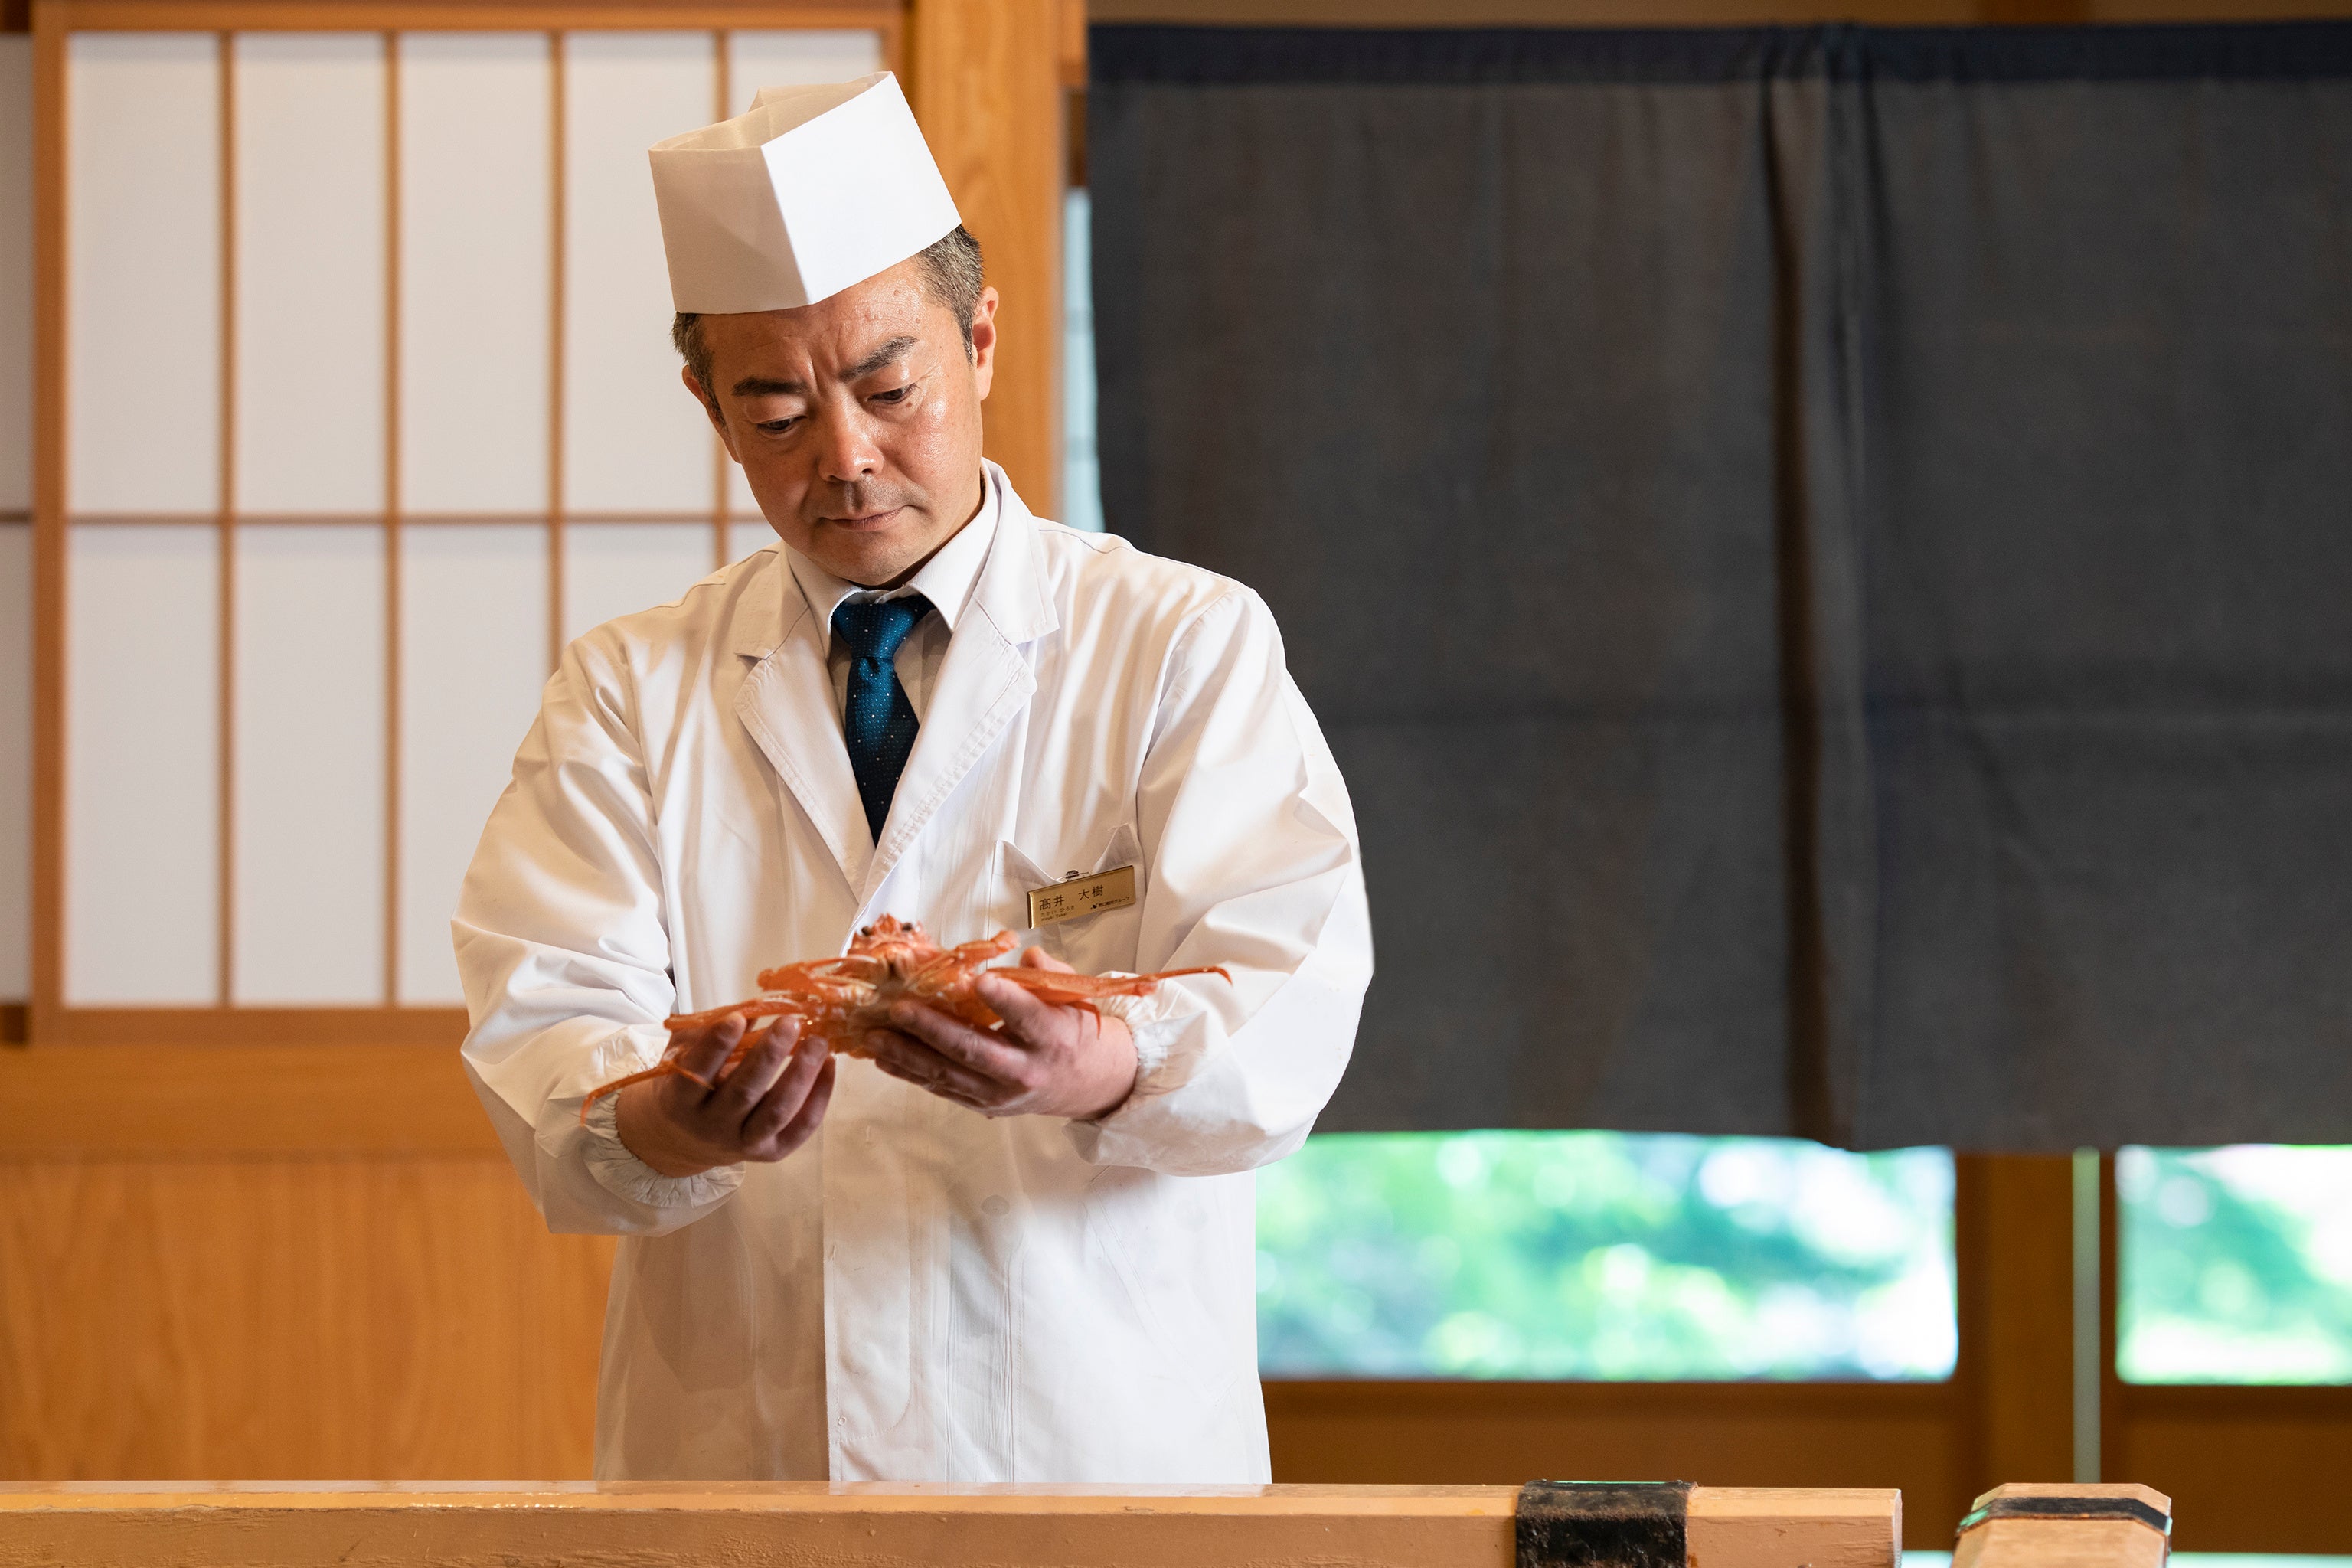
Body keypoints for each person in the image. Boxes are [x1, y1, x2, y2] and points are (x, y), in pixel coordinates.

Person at [455, 73, 1371, 1483]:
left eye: (892, 387)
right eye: (773, 411)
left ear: (983, 339)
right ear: (707, 402)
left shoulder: (1179, 641)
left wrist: (1100, 1060)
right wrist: (669, 1117)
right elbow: (549, 1040)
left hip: (1098, 1459)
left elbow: (1291, 1001)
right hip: (743, 1465)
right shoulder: (628, 692)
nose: (848, 456)